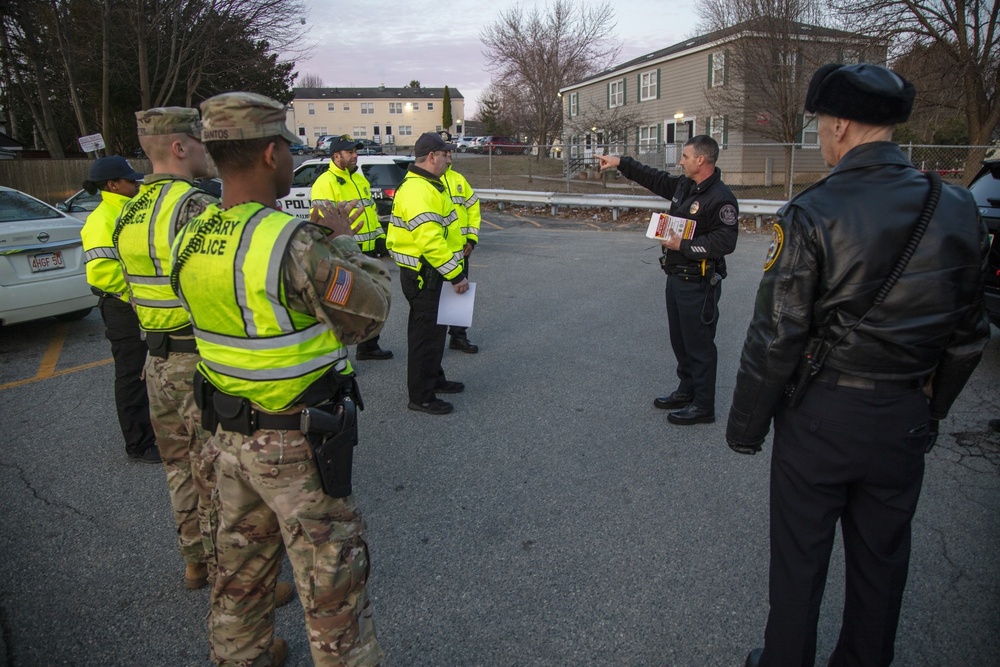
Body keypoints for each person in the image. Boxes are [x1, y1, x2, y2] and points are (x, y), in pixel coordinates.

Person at [727, 63, 990, 667]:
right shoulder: (954, 206)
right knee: (882, 564)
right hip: (903, 413)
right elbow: (969, 334)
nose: (819, 135)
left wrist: (746, 428)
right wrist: (930, 407)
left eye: (820, 122)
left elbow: (777, 335)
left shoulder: (814, 209)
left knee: (799, 562)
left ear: (841, 123)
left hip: (823, 413)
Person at [171, 91, 389, 667]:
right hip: (296, 443)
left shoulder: (190, 237)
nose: (292, 159)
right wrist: (341, 240)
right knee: (331, 587)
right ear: (271, 155)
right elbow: (370, 317)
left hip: (223, 436)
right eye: (289, 149)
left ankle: (240, 658)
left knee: (238, 573)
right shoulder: (292, 244)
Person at [113, 107, 220, 591]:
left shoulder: (129, 210)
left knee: (177, 466)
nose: (205, 150)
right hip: (195, 358)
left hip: (155, 359)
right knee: (216, 470)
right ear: (180, 147)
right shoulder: (194, 208)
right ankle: (229, 574)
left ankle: (194, 561)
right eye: (199, 142)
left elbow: (129, 287)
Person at [596, 136, 738, 425]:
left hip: (699, 282)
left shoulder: (720, 198)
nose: (680, 161)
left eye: (685, 156)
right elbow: (655, 178)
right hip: (676, 277)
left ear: (701, 160)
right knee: (680, 341)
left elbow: (725, 241)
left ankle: (703, 406)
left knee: (699, 345)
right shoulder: (686, 186)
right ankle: (687, 390)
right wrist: (622, 163)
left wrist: (683, 246)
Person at [79, 156, 160, 464]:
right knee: (132, 375)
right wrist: (139, 294)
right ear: (112, 185)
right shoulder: (102, 219)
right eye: (130, 181)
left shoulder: (128, 211)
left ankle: (150, 431)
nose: (136, 183)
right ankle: (138, 444)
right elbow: (100, 272)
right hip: (124, 307)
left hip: (139, 304)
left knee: (147, 371)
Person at [386, 132, 469, 415]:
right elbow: (430, 241)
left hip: (430, 273)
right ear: (432, 156)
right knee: (425, 335)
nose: (449, 159)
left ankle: (434, 379)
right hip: (425, 275)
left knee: (435, 332)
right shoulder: (419, 190)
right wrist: (456, 276)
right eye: (446, 155)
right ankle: (421, 396)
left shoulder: (427, 185)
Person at [311, 134, 393, 361]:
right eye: (350, 152)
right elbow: (322, 221)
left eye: (356, 151)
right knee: (343, 307)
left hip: (365, 251)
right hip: (343, 252)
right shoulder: (325, 183)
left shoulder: (358, 178)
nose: (355, 155)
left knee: (369, 300)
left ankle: (368, 347)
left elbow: (370, 212)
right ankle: (337, 358)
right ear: (337, 156)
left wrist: (379, 237)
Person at [441, 163, 481, 354]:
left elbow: (473, 207)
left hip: (461, 249)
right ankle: (433, 342)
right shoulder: (429, 180)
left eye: (449, 152)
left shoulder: (458, 179)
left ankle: (458, 337)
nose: (448, 155)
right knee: (435, 298)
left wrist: (472, 239)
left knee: (460, 293)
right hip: (438, 251)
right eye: (444, 151)